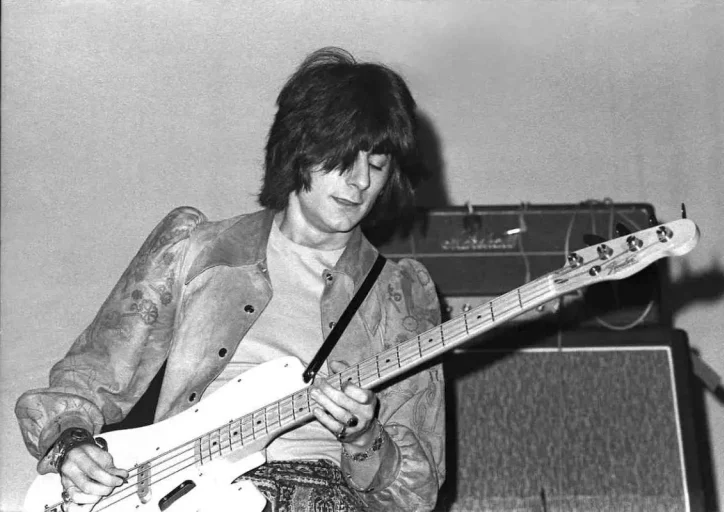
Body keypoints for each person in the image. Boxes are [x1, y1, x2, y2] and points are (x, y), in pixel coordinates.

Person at [15, 47, 446, 512]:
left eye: (378, 165)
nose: (361, 182)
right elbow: (85, 380)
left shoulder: (401, 294)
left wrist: (364, 437)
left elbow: (415, 495)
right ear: (299, 151)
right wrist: (73, 446)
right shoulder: (193, 250)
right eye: (345, 158)